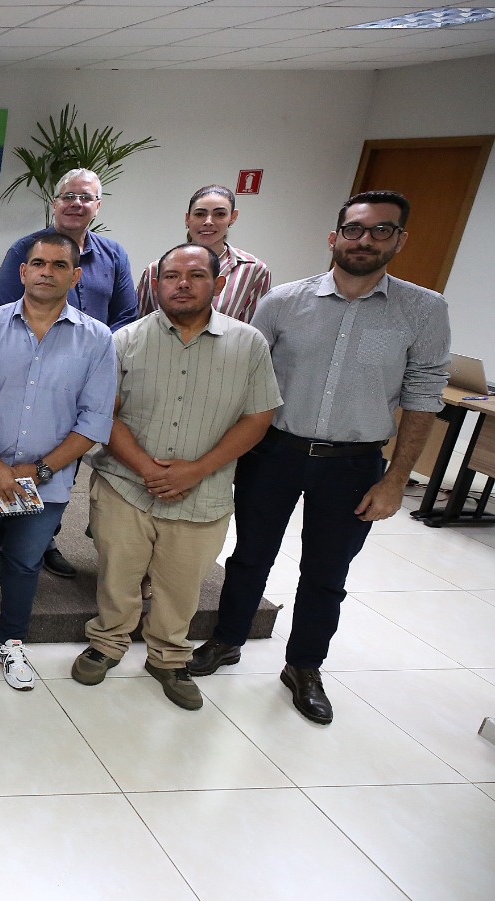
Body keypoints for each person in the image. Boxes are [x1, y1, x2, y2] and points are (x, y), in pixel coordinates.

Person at [190, 190, 451, 725]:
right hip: (275, 452)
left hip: (353, 462)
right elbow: (246, 379)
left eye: (381, 230)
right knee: (250, 555)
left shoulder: (423, 310)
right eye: (354, 229)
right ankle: (227, 638)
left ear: (400, 240)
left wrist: (397, 478)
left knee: (327, 570)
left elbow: (424, 395)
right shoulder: (283, 302)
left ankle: (304, 666)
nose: (365, 240)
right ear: (335, 237)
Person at [76, 243, 280, 709]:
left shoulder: (249, 344)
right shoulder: (125, 340)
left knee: (182, 584)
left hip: (203, 491)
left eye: (196, 275)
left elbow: (257, 417)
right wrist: (148, 468)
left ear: (219, 283)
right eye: (171, 276)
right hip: (126, 485)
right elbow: (105, 413)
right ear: (156, 283)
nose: (182, 284)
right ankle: (107, 642)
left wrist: (196, 470)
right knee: (117, 575)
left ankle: (168, 657)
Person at [0, 232, 116, 691]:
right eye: (39, 263)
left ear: (75, 275)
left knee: (25, 563)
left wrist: (40, 470)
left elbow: (94, 420)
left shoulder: (96, 339)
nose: (46, 272)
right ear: (23, 271)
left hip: (47, 482)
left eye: (58, 265)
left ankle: (10, 640)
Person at [0, 168, 136, 580]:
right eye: (68, 196)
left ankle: (45, 538)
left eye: (85, 197)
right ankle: (1, 542)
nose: (76, 203)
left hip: (86, 375)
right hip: (28, 368)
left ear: (97, 206)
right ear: (54, 203)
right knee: (19, 448)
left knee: (64, 456)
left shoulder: (113, 255)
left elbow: (127, 313)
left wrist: (91, 352)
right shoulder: (24, 249)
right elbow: (8, 307)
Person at [136, 185, 272, 322]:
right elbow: (141, 325)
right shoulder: (156, 270)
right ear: (187, 218)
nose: (208, 222)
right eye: (200, 214)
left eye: (220, 214)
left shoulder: (253, 270)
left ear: (233, 217)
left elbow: (251, 329)